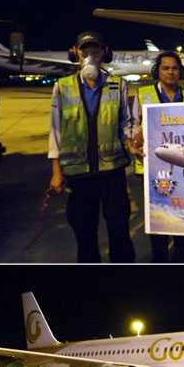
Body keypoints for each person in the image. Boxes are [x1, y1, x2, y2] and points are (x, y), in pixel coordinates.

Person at [49, 30, 139, 263]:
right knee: (85, 235)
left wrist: (131, 141)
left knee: (120, 230)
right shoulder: (62, 87)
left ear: (103, 54)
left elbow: (125, 123)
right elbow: (56, 130)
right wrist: (56, 171)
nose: (90, 55)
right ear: (76, 54)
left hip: (112, 172)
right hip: (79, 176)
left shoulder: (118, 85)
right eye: (85, 50)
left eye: (95, 50)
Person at [131, 51, 184, 263]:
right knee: (158, 217)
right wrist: (135, 139)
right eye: (165, 68)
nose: (170, 72)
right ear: (156, 71)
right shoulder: (143, 94)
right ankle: (159, 259)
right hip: (152, 167)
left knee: (183, 215)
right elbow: (132, 125)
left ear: (181, 71)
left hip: (183, 167)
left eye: (175, 68)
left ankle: (183, 258)